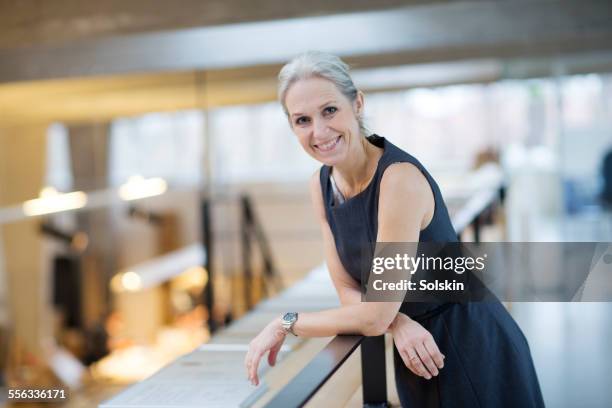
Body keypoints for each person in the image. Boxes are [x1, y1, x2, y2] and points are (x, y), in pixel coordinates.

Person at [244, 51, 544, 407]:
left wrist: (286, 322)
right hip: (415, 348)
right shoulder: (320, 186)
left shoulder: (397, 180)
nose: (319, 131)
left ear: (356, 104)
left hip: (469, 344)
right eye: (302, 120)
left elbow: (373, 314)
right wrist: (397, 321)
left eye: (329, 110)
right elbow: (348, 291)